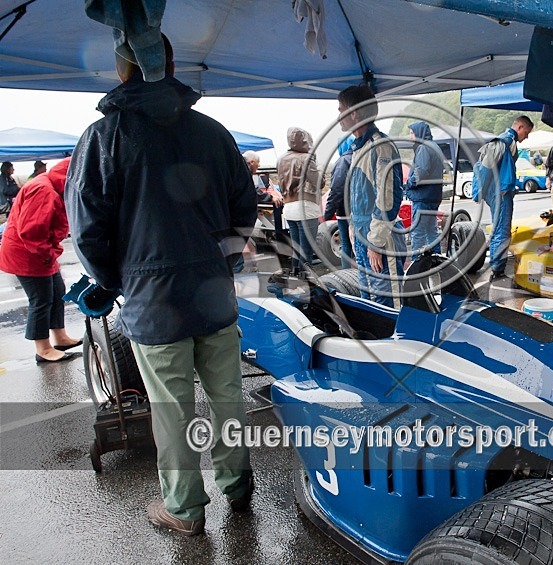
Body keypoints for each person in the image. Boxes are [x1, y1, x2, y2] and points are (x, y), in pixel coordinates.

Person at [65, 34, 256, 536]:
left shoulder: (105, 136)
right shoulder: (214, 133)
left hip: (154, 302)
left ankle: (185, 509)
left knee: (172, 410)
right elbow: (244, 210)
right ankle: (239, 487)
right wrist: (224, 265)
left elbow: (87, 228)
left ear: (121, 72)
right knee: (227, 396)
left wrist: (116, 280)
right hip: (214, 295)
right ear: (171, 66)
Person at [0, 157, 82, 363]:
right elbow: (31, 232)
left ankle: (60, 337)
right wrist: (47, 255)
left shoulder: (54, 186)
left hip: (41, 251)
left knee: (57, 291)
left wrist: (51, 253)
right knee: (41, 298)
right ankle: (43, 348)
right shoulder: (43, 190)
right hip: (28, 253)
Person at [337, 84, 406, 307]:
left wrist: (375, 243)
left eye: (341, 110)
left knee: (387, 304)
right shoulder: (359, 147)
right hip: (363, 237)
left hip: (380, 241)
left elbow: (387, 199)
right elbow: (361, 194)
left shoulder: (380, 146)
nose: (338, 116)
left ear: (354, 113)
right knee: (370, 302)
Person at [477, 115, 534, 281]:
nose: (527, 137)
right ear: (520, 128)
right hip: (500, 192)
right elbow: (485, 168)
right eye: (527, 132)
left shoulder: (507, 142)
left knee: (499, 229)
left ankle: (497, 266)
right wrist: (482, 192)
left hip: (500, 191)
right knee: (502, 231)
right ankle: (497, 270)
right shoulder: (504, 142)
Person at [276, 127, 324, 275]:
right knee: (306, 252)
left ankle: (295, 280)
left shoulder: (281, 159)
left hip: (289, 208)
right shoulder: (306, 159)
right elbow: (318, 183)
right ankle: (307, 286)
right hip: (306, 207)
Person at [404, 121, 444, 260]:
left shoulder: (423, 148)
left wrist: (408, 184)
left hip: (423, 197)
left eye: (411, 133)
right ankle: (437, 261)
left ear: (419, 133)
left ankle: (416, 264)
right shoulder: (435, 146)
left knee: (418, 233)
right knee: (431, 231)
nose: (410, 136)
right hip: (434, 196)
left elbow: (421, 173)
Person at [324, 135, 355, 269]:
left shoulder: (342, 162)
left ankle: (347, 278)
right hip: (360, 211)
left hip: (345, 213)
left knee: (346, 246)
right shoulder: (361, 158)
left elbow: (336, 190)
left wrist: (327, 214)